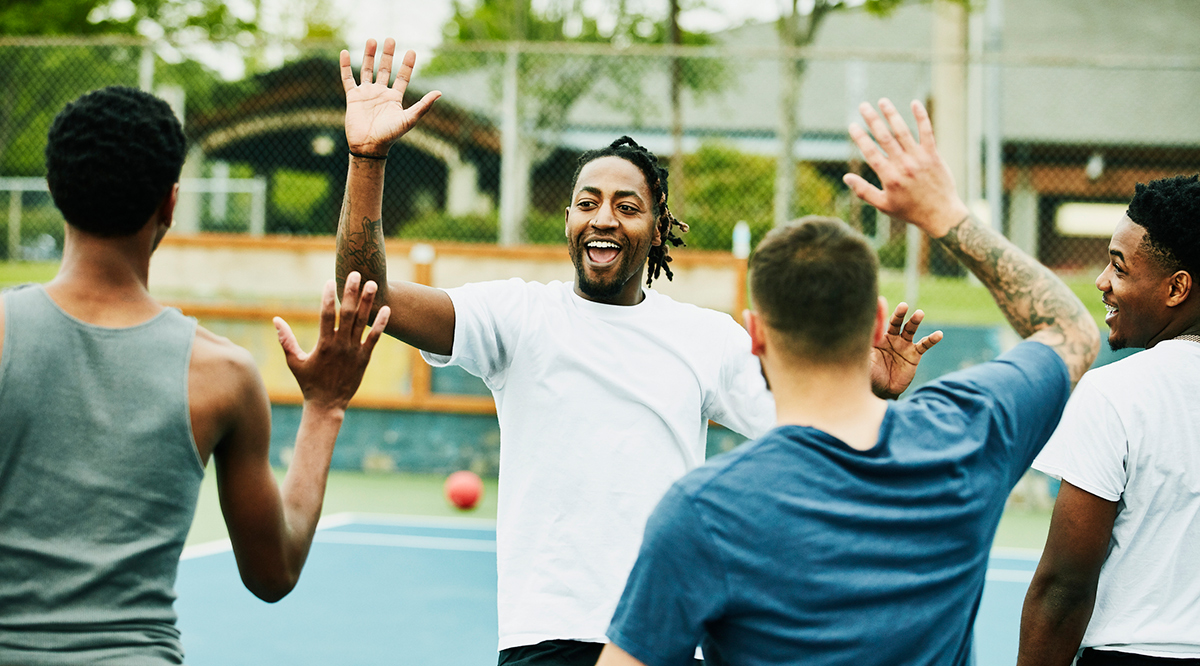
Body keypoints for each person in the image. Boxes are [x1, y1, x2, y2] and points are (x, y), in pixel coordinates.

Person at [334, 40, 943, 665]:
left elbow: (811, 427)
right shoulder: (518, 318)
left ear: (657, 228)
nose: (603, 218)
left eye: (627, 207)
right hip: (547, 634)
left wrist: (860, 384)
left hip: (666, 634)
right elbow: (366, 290)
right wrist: (366, 159)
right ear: (568, 218)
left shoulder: (707, 338)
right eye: (587, 202)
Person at [596, 98, 1100, 666]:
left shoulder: (702, 511)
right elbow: (1071, 328)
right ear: (879, 324)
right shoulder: (964, 438)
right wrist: (945, 216)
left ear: (756, 334)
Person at [0, 86, 390, 664]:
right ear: (170, 202)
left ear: (55, 189)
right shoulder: (222, 374)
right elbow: (273, 572)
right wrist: (325, 406)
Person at [1018, 175, 1200, 666]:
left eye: (1118, 267)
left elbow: (1064, 588)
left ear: (1177, 287)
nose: (1101, 281)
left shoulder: (1118, 392)